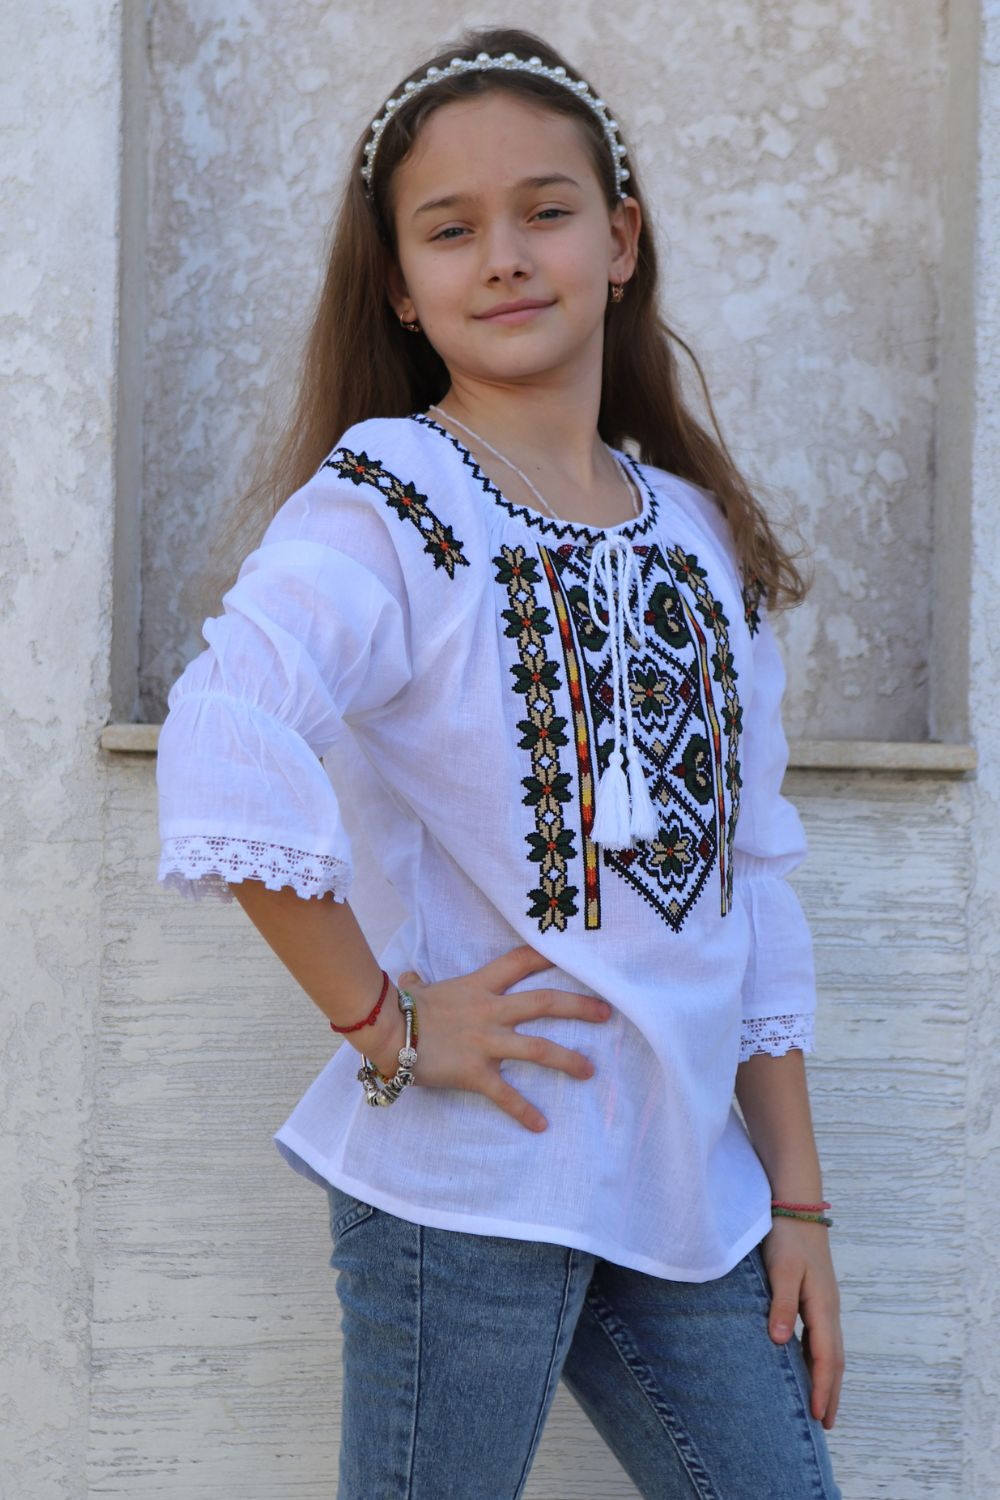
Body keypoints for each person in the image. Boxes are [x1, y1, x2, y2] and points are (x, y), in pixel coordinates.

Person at [156, 23, 845, 1499]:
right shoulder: (394, 498)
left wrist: (798, 1199)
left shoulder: (695, 529)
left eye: (546, 210)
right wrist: (388, 1024)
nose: (507, 257)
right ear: (401, 286)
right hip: (469, 1183)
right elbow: (226, 734)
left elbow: (750, 876)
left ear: (621, 241)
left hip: (689, 1195)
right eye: (451, 228)